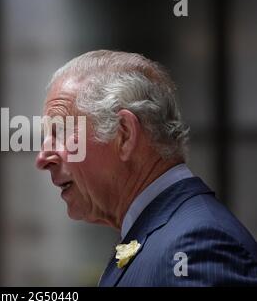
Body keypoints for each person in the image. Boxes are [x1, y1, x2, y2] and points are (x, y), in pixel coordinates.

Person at [35, 50, 257, 286]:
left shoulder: (195, 247)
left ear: (124, 135)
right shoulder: (165, 234)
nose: (42, 158)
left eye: (62, 132)